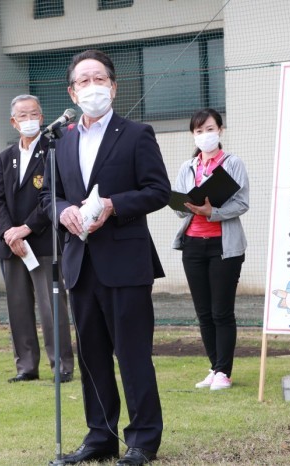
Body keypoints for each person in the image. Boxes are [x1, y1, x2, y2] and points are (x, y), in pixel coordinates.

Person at [40, 50, 170, 466]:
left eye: (100, 79)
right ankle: (101, 434)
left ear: (113, 87)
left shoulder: (136, 134)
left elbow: (158, 191)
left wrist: (114, 205)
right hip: (80, 262)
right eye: (84, 81)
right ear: (72, 92)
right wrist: (62, 212)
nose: (92, 86)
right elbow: (49, 196)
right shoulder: (61, 140)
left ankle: (143, 439)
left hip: (126, 262)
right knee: (91, 354)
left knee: (132, 354)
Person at [0, 94, 75, 383]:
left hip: (42, 242)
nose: (29, 120)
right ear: (13, 122)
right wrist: (8, 233)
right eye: (22, 116)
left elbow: (53, 197)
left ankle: (61, 366)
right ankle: (26, 366)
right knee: (18, 308)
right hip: (12, 247)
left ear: (41, 117)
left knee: (52, 306)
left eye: (34, 114)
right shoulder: (5, 157)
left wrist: (26, 228)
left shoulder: (54, 149)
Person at [172, 108, 249, 390]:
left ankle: (223, 372)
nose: (205, 135)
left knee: (221, 312)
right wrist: (186, 206)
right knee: (203, 312)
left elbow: (242, 203)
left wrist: (211, 211)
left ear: (220, 130)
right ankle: (214, 367)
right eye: (199, 131)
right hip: (192, 244)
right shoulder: (187, 167)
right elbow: (181, 208)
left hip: (224, 247)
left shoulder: (233, 163)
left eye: (210, 129)